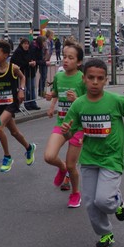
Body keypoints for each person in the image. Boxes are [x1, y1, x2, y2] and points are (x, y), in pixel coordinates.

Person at [61, 58, 124, 247]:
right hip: (89, 157)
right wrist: (66, 131)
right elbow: (70, 132)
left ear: (105, 80)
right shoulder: (78, 105)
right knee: (90, 203)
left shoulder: (116, 100)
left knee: (104, 200)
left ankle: (118, 202)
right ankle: (105, 233)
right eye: (91, 77)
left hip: (112, 156)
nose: (95, 82)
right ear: (84, 79)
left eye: (100, 78)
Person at [44, 39, 86, 208]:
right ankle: (62, 168)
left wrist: (77, 99)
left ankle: (75, 193)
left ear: (79, 62)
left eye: (71, 58)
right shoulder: (59, 76)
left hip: (78, 127)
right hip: (62, 122)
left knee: (72, 165)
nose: (66, 60)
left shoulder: (82, 79)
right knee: (49, 156)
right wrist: (51, 97)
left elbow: (90, 102)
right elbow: (56, 92)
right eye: (65, 57)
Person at [0, 39, 35, 173]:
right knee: (14, 132)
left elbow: (23, 78)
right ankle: (29, 148)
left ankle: (7, 157)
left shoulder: (13, 68)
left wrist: (21, 90)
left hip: (11, 103)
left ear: (5, 55)